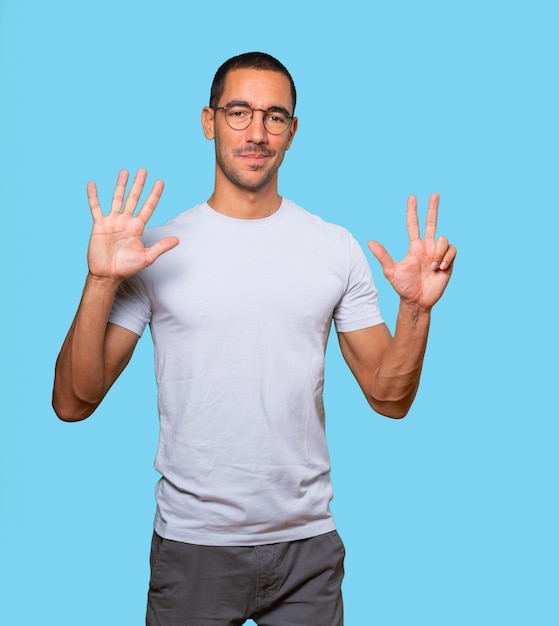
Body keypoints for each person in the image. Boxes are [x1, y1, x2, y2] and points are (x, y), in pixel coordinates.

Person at [52, 52, 456, 626]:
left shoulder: (334, 247)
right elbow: (73, 402)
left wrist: (415, 310)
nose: (257, 132)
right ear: (208, 121)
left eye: (274, 116)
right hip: (193, 548)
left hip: (308, 549)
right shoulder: (156, 249)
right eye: (238, 112)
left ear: (293, 132)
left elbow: (390, 399)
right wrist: (100, 280)